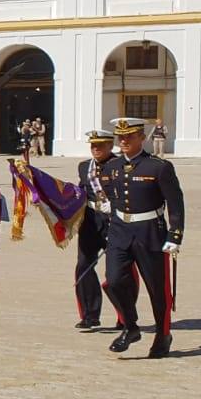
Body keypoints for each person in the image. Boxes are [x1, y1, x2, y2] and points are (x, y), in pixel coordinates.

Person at [98, 117, 184, 358]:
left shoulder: (158, 167)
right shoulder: (111, 167)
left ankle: (163, 334)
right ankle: (131, 326)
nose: (124, 141)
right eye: (121, 137)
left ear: (141, 138)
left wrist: (175, 234)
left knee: (158, 289)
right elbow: (111, 195)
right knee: (113, 281)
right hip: (119, 232)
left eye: (129, 137)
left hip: (150, 232)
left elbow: (175, 203)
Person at [74, 131, 116, 330]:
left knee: (119, 270)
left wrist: (115, 207)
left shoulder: (121, 165)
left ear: (110, 146)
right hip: (91, 221)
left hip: (115, 221)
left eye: (100, 145)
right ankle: (90, 315)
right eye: (93, 146)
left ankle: (124, 316)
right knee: (84, 266)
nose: (96, 149)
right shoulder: (84, 167)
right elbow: (81, 190)